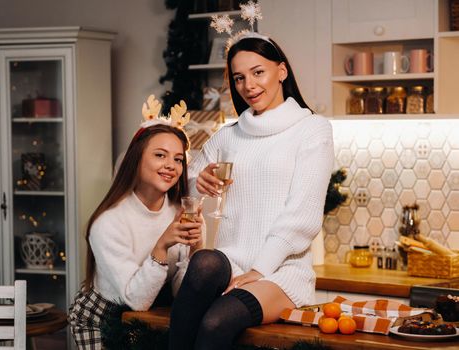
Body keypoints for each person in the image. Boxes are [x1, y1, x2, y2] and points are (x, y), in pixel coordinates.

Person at [168, 29, 334, 350]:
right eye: (239, 77)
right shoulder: (227, 136)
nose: (249, 86)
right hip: (232, 261)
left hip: (281, 270)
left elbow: (303, 215)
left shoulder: (311, 129)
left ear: (281, 71)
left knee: (215, 321)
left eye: (258, 72)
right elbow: (187, 190)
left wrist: (260, 269)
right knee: (204, 262)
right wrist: (199, 182)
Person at [68, 121, 204, 349]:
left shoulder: (179, 213)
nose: (171, 165)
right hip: (103, 318)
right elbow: (137, 300)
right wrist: (161, 246)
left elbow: (180, 292)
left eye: (178, 159)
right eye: (160, 155)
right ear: (136, 159)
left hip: (153, 314)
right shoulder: (107, 222)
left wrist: (195, 250)